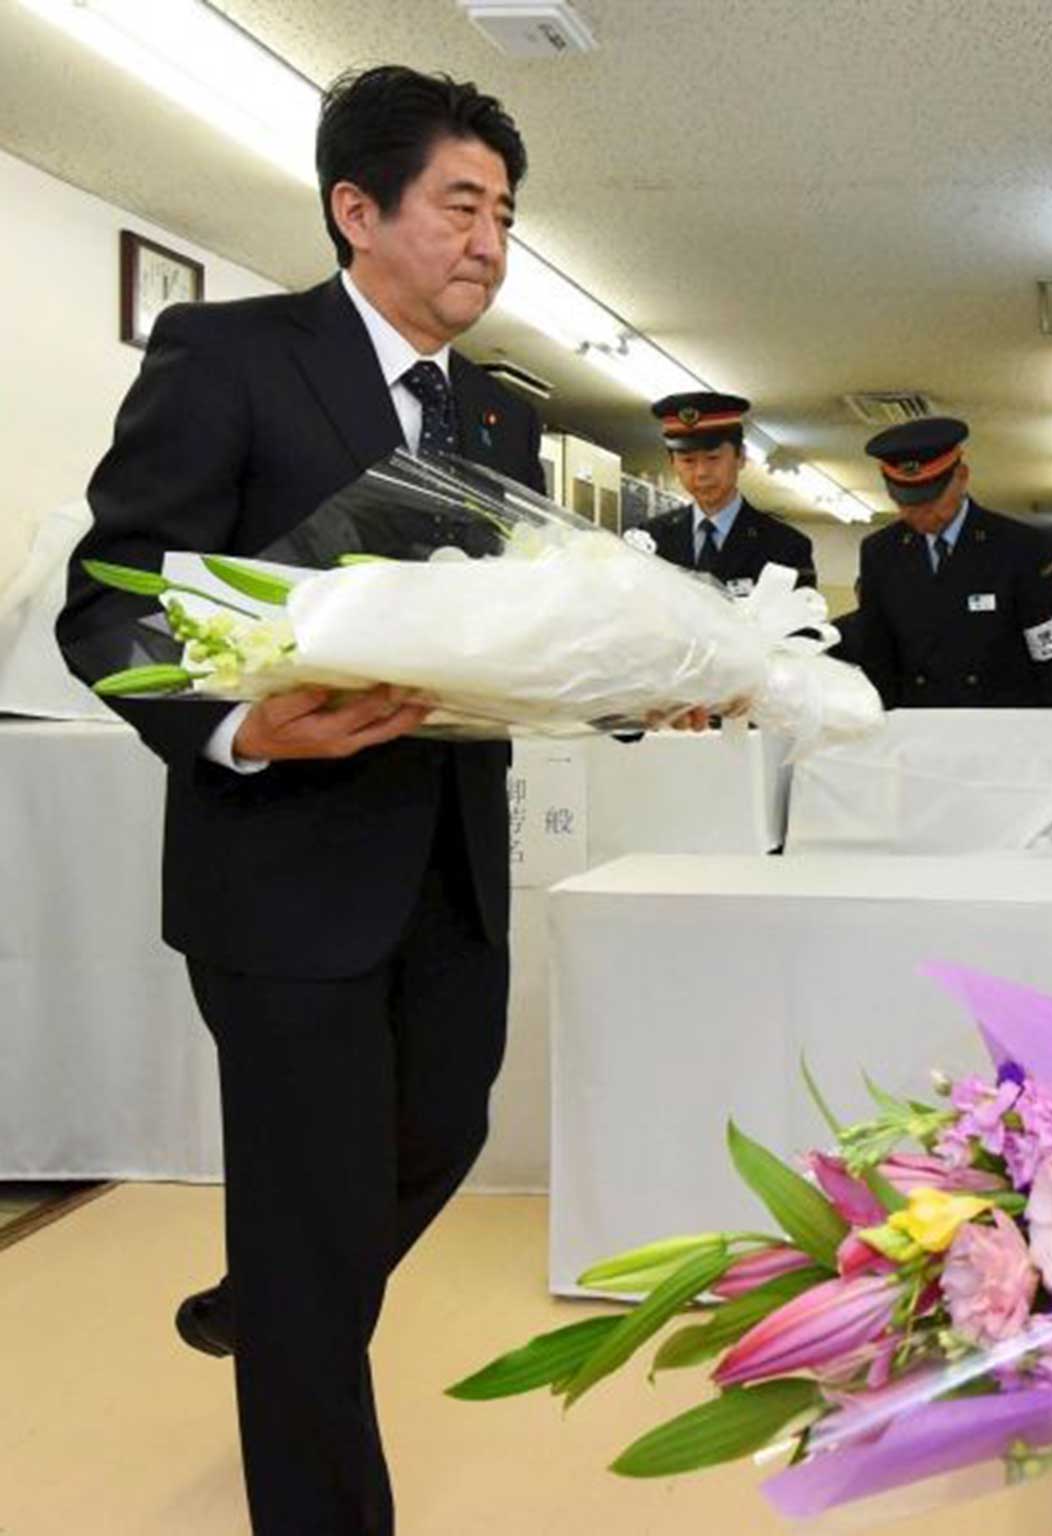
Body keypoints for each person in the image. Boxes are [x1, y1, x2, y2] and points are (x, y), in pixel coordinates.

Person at [57, 65, 543, 1536]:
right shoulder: (231, 358)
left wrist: (615, 679)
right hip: (280, 871)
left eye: (507, 215)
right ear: (357, 209)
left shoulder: (501, 422)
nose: (488, 242)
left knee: (440, 1131)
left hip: (452, 862)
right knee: (318, 1206)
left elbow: (505, 630)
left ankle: (272, 1297)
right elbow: (111, 604)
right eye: (462, 205)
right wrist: (240, 729)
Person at [853, 416, 1052, 709]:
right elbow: (876, 653)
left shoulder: (1021, 546)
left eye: (931, 501)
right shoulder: (880, 552)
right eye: (907, 504)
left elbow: (1048, 650)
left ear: (961, 476)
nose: (920, 515)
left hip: (998, 724)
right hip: (916, 726)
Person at [638, 391, 815, 593]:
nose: (701, 473)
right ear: (672, 463)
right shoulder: (650, 539)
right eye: (688, 461)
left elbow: (800, 621)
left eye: (713, 458)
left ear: (740, 457)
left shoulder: (785, 547)